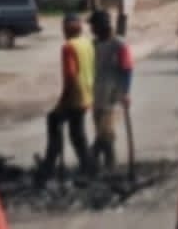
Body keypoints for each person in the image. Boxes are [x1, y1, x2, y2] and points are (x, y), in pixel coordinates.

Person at [36, 13, 95, 181]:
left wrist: (63, 100)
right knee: (77, 132)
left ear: (66, 30)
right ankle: (88, 167)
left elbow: (71, 75)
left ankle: (49, 166)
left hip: (75, 95)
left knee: (55, 121)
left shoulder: (69, 47)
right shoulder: (87, 43)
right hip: (88, 93)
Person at [89, 9, 134, 172]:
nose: (91, 29)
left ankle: (91, 159)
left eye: (93, 26)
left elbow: (127, 69)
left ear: (101, 26)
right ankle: (106, 164)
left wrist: (126, 92)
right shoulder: (94, 44)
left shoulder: (118, 44)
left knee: (105, 131)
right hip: (97, 92)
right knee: (103, 132)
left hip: (112, 93)